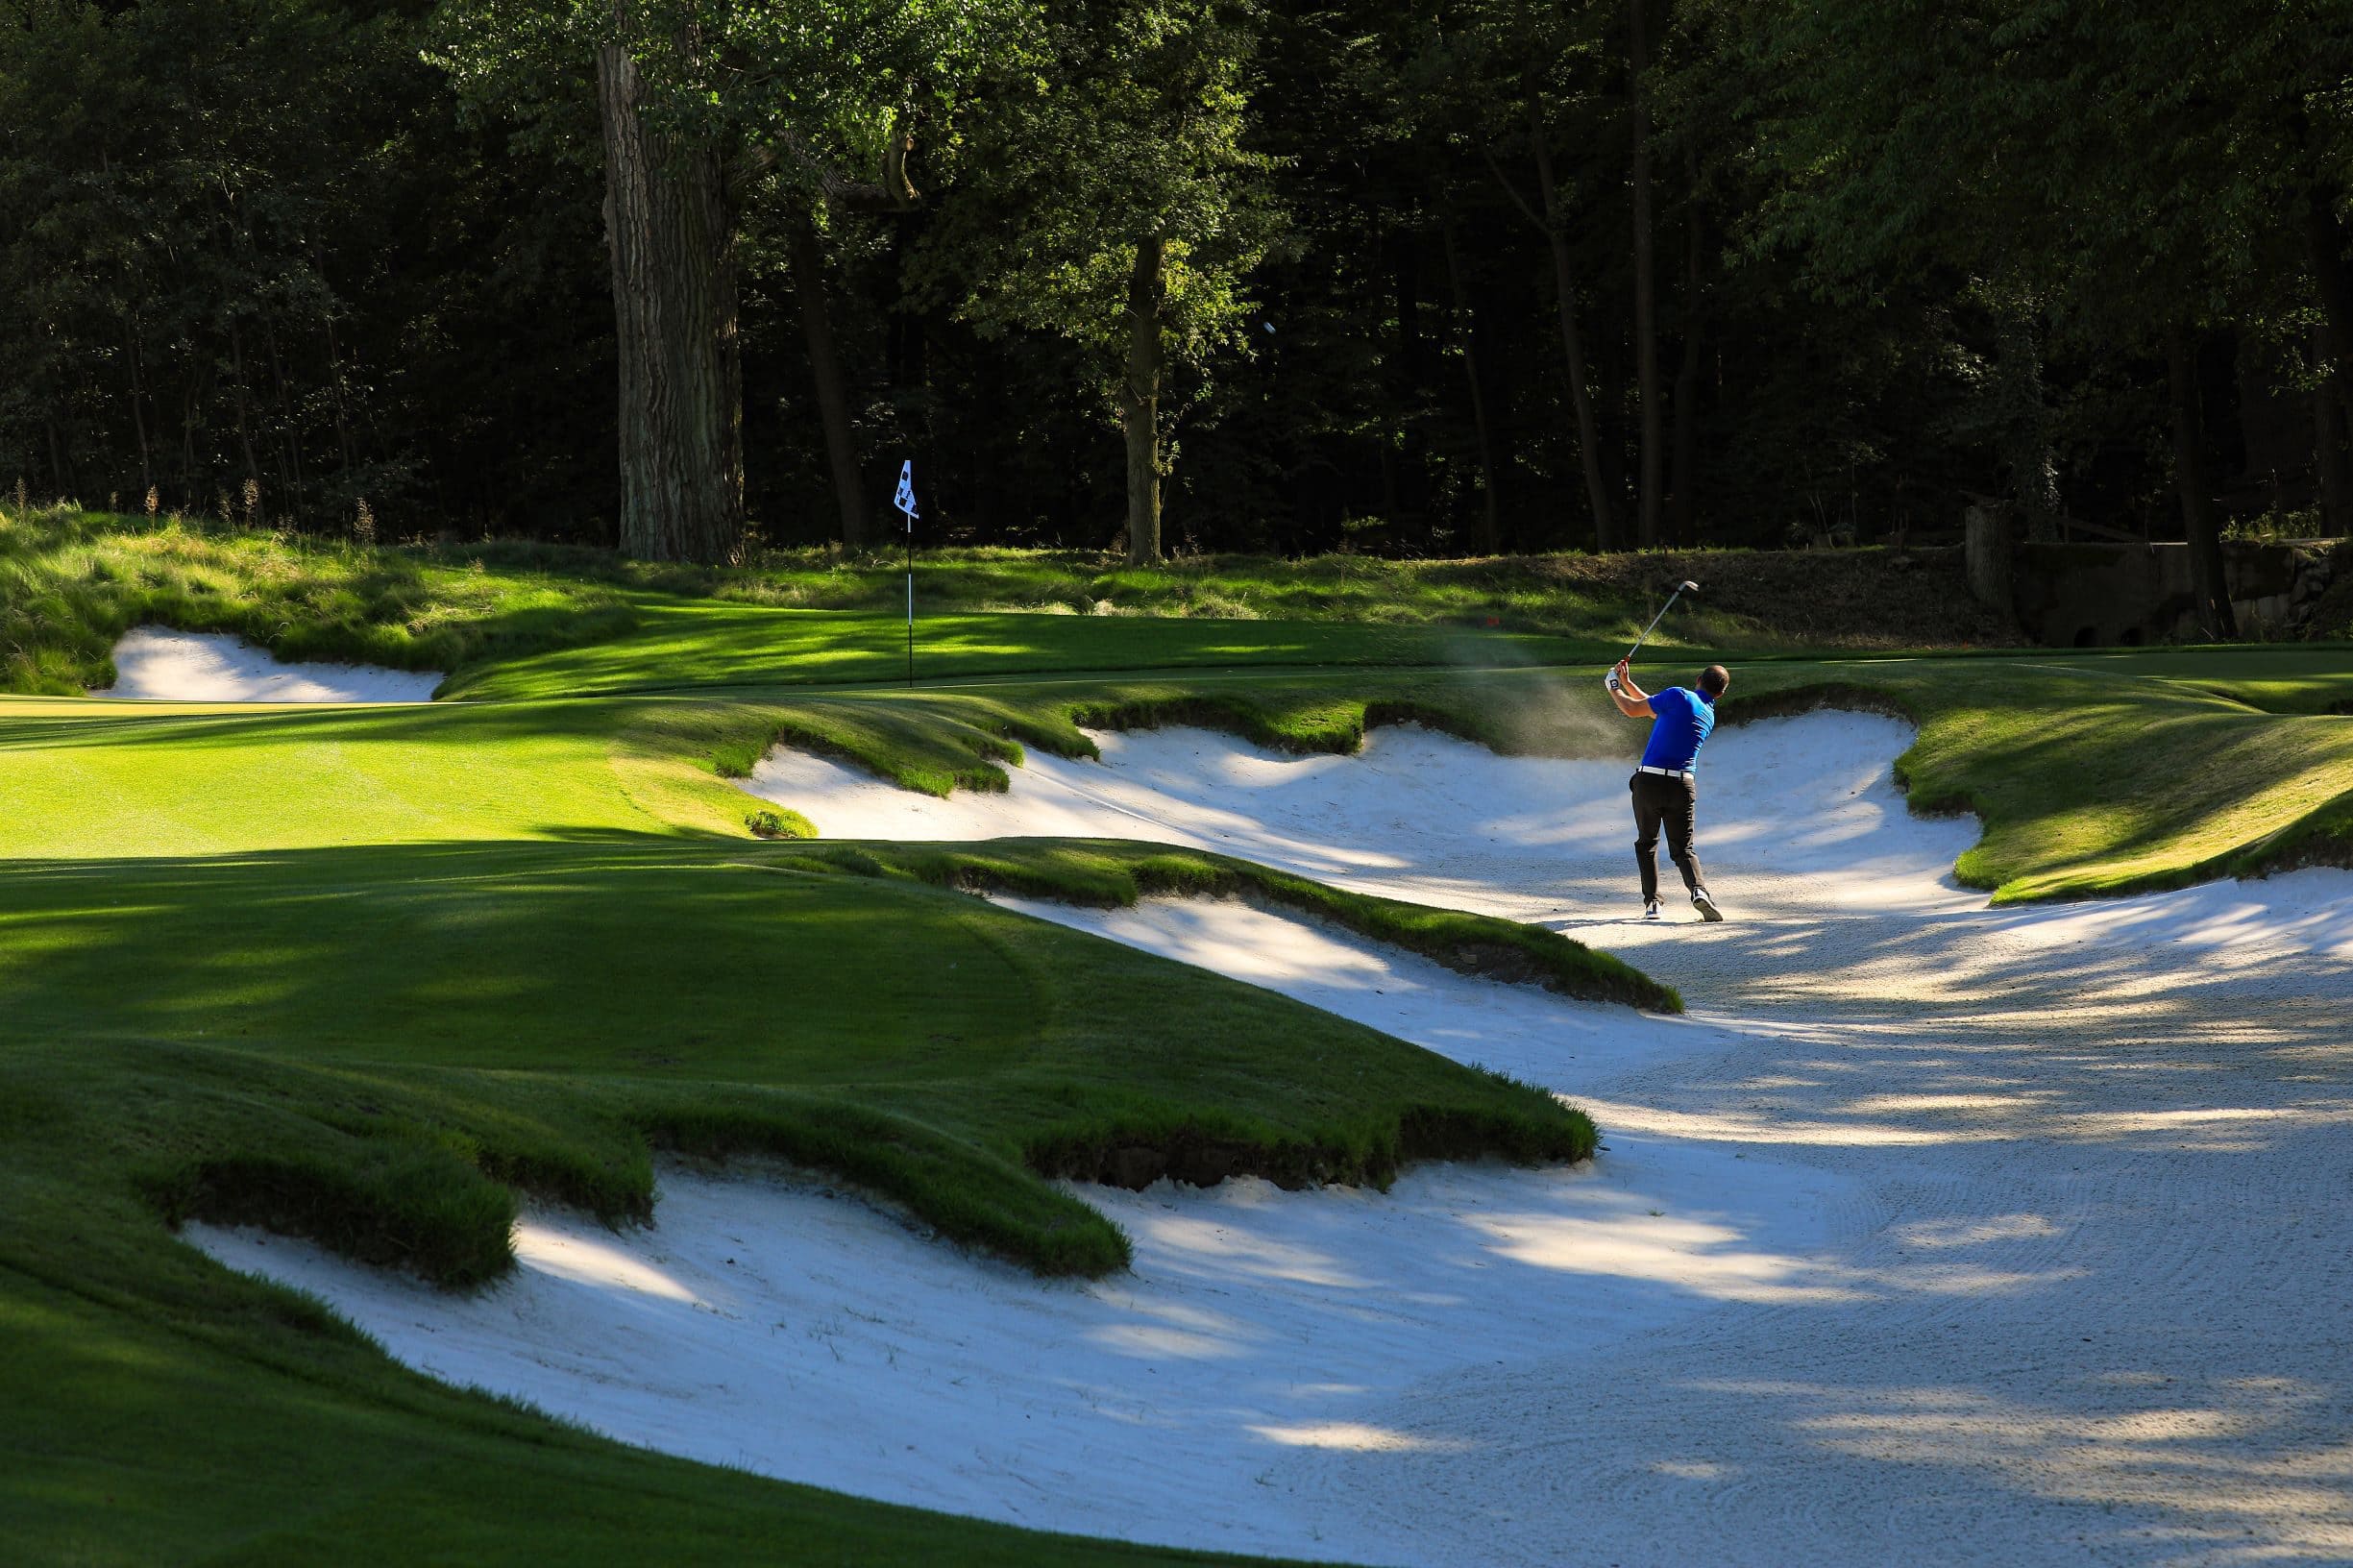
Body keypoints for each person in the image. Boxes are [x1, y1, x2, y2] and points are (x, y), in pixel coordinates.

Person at [1607, 659, 1729, 921]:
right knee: (1683, 848)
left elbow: (1632, 710)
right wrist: (1627, 683)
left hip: (1649, 781)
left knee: (1647, 843)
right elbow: (1654, 709)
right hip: (1682, 786)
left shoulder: (1677, 695)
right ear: (1720, 693)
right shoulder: (1708, 714)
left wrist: (1613, 687)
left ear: (1698, 679)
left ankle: (1653, 903)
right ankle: (1699, 891)